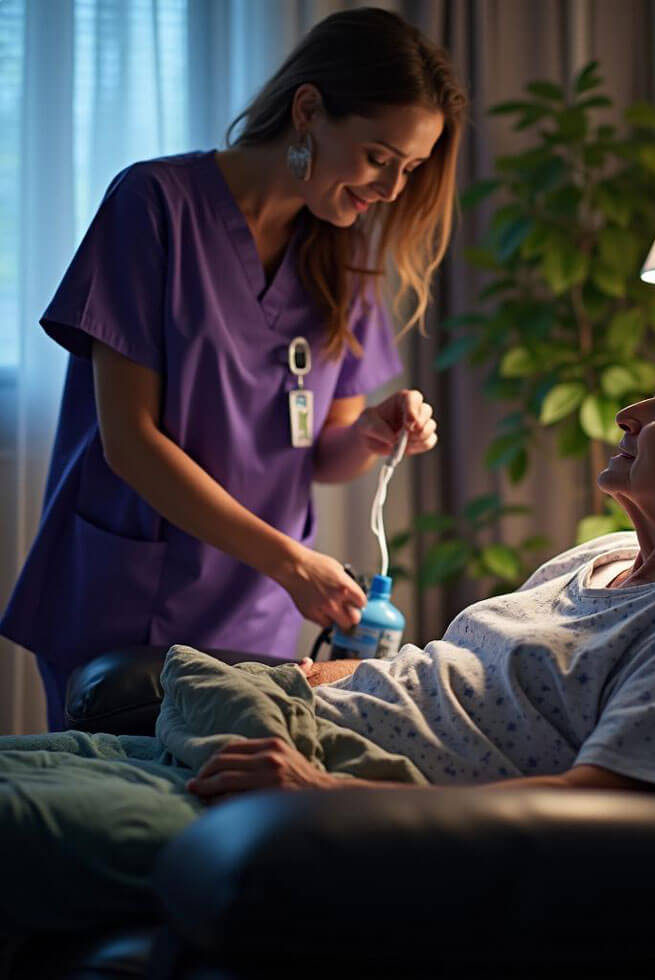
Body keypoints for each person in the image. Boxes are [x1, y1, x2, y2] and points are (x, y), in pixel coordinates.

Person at [0, 8, 468, 731]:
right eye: (379, 156)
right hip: (128, 598)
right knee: (115, 823)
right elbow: (129, 441)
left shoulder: (342, 257)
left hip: (252, 612)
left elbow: (325, 455)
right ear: (309, 109)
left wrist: (373, 433)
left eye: (408, 169)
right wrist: (290, 563)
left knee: (223, 822)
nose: (393, 188)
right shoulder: (154, 208)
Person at [185, 324, 655, 805]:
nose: (625, 416)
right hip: (287, 721)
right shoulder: (600, 558)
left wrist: (320, 791)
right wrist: (310, 679)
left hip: (332, 794)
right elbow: (457, 677)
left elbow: (610, 805)